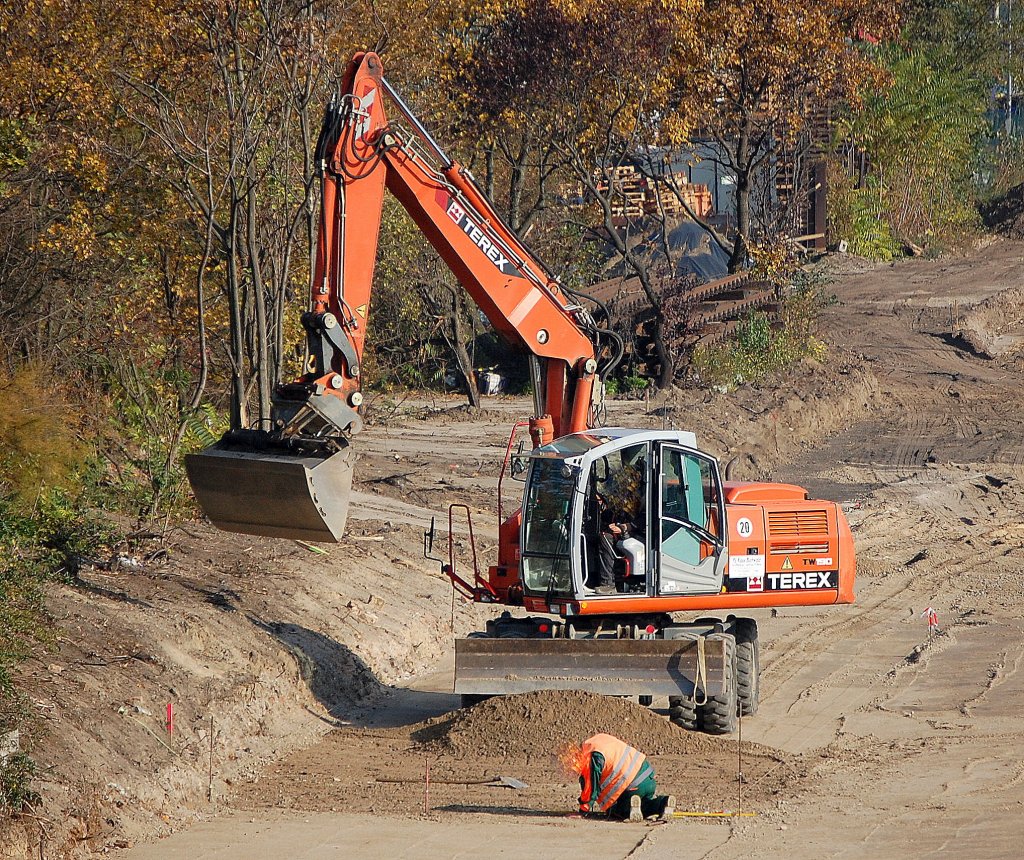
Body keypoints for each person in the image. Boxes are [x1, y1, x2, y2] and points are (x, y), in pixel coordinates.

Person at [564, 732, 675, 822]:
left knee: (617, 811)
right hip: (647, 777)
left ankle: (631, 807)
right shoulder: (598, 740)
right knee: (647, 802)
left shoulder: (591, 757)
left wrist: (583, 811)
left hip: (631, 786)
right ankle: (663, 803)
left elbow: (590, 788)